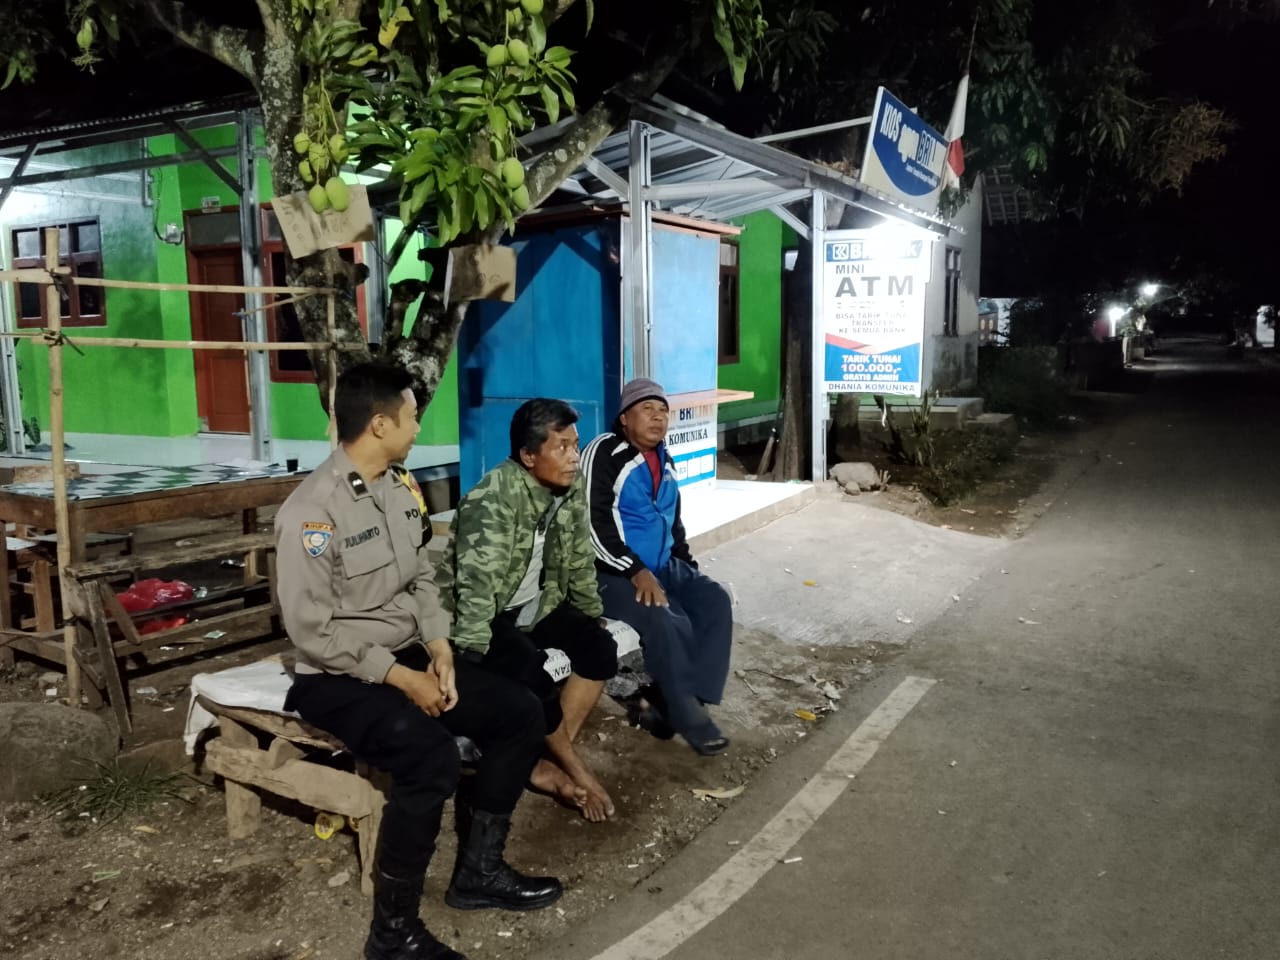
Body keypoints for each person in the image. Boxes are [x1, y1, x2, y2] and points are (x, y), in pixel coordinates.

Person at [276, 363, 562, 960]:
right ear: (379, 424)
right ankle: (393, 934)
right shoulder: (312, 511)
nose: (417, 427)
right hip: (338, 673)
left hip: (408, 653)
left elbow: (422, 579)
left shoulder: (399, 486)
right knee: (430, 758)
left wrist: (438, 647)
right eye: (411, 417)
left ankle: (478, 874)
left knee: (520, 713)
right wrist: (402, 678)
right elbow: (311, 632)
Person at [437, 398, 618, 823]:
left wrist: (590, 611)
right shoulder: (493, 499)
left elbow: (579, 554)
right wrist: (473, 655)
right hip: (484, 616)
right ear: (528, 456)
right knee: (532, 672)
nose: (574, 457)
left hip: (535, 605)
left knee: (599, 649)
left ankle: (546, 755)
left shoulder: (569, 486)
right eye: (562, 447)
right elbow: (476, 588)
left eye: (576, 445)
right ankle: (569, 766)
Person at [582, 378, 733, 756]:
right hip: (610, 572)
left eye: (663, 410)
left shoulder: (666, 461)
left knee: (713, 600)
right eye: (647, 409)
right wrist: (635, 570)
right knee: (665, 616)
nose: (658, 417)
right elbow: (591, 523)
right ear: (624, 418)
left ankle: (684, 699)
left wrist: (686, 565)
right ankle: (689, 717)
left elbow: (672, 521)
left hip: (663, 565)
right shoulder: (605, 452)